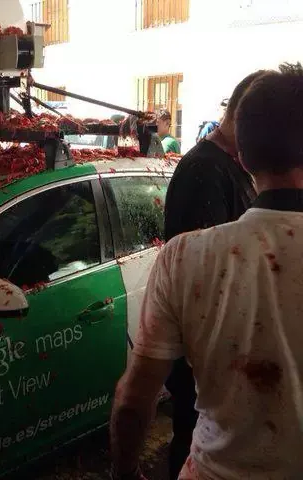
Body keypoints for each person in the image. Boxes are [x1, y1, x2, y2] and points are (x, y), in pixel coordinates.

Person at [110, 63, 303, 479]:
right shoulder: (202, 176)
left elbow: (132, 400)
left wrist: (123, 472)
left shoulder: (184, 258)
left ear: (245, 155)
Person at [157, 69, 267, 480]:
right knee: (192, 444)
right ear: (238, 117)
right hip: (202, 357)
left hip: (224, 352)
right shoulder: (204, 169)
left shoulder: (235, 165)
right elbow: (205, 274)